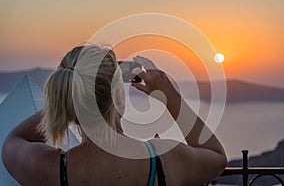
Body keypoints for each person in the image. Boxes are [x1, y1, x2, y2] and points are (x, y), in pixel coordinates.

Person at [2, 44, 227, 186]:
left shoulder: (52, 169)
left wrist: (70, 104)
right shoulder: (163, 160)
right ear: (119, 97)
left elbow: (12, 141)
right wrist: (171, 97)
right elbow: (215, 156)